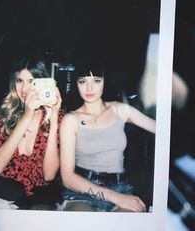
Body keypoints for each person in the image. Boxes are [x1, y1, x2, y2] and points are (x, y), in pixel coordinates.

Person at [59, 66, 156, 212]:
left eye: (96, 80)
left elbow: (164, 130)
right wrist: (114, 197)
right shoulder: (71, 120)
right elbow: (67, 177)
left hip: (120, 189)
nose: (89, 87)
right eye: (83, 81)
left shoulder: (120, 110)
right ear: (76, 84)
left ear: (105, 81)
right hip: (83, 191)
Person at [0, 57, 64, 209]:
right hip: (3, 193)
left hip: (42, 197)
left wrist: (54, 119)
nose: (24, 88)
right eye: (19, 81)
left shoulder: (61, 117)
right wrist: (27, 116)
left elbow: (49, 176)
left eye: (31, 81)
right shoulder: (1, 114)